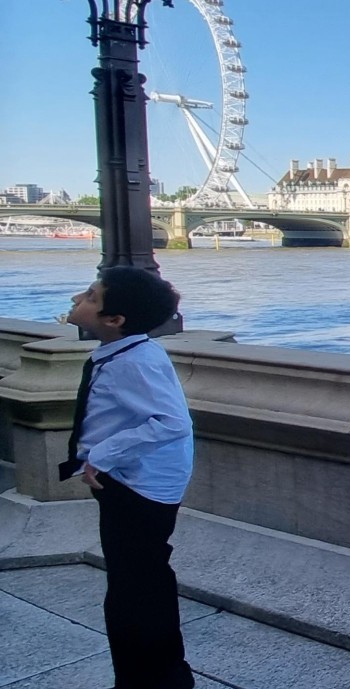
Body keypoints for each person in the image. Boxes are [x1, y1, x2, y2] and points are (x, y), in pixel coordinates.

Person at [60, 266, 196, 689]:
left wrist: (101, 455)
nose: (76, 299)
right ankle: (163, 677)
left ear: (114, 320)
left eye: (90, 296)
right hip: (138, 482)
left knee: (132, 591)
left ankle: (147, 680)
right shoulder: (131, 353)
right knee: (142, 581)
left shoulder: (132, 363)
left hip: (136, 486)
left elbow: (171, 421)